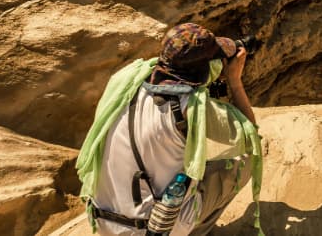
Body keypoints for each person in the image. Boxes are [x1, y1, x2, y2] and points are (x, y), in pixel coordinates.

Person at [76, 23, 263, 236]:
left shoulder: (126, 83)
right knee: (242, 160)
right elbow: (250, 136)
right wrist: (234, 80)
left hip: (105, 220)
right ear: (202, 70)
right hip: (148, 230)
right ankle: (194, 230)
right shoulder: (188, 109)